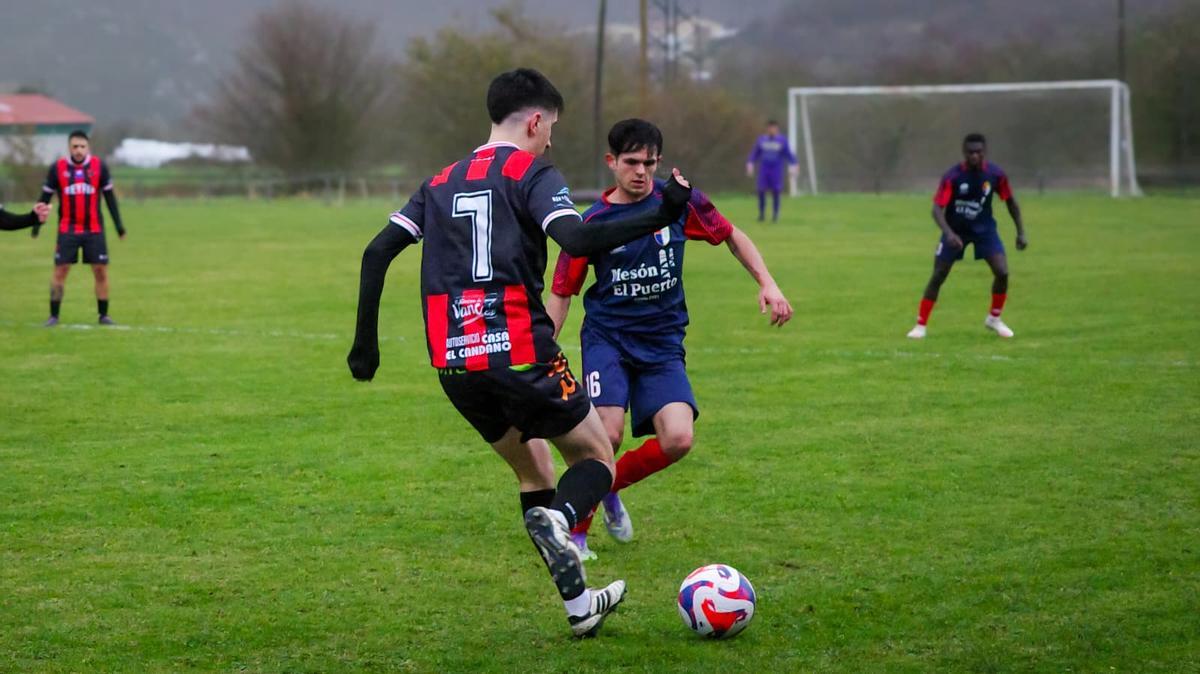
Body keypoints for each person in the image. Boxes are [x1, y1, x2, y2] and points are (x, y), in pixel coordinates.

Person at [346, 68, 695, 638]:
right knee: (596, 460)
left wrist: (366, 345)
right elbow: (577, 239)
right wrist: (661, 212)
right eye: (550, 127)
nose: (550, 138)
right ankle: (563, 521)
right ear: (535, 120)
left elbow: (376, 252)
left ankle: (581, 607)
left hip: (456, 363)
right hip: (519, 352)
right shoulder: (531, 171)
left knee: (534, 473)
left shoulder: (439, 181)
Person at [547, 118, 794, 560]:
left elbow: (731, 235)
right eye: (631, 162)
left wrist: (767, 282)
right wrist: (545, 346)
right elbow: (563, 289)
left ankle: (604, 487)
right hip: (609, 338)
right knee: (607, 433)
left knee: (679, 439)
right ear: (612, 162)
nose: (641, 171)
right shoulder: (594, 222)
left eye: (650, 162)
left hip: (661, 343)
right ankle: (577, 535)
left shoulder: (678, 201)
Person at [907, 133, 1027, 339]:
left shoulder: (996, 175)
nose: (975, 156)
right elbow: (936, 209)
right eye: (971, 152)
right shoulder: (953, 176)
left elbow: (1010, 202)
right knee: (939, 274)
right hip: (955, 231)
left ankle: (994, 319)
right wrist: (949, 234)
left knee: (1002, 272)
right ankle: (920, 325)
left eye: (979, 152)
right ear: (964, 153)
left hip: (984, 231)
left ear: (984, 153)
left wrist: (1021, 232)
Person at [35, 130, 127, 326]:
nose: (78, 150)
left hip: (94, 230)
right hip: (67, 229)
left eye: (82, 146)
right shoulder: (57, 168)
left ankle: (104, 315)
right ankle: (53, 316)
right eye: (75, 146)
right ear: (69, 147)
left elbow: (110, 199)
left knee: (100, 271)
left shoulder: (99, 167)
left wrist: (119, 225)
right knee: (60, 271)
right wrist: (36, 225)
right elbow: (45, 198)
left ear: (88, 147)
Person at [745, 120, 798, 222]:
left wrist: (794, 164)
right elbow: (755, 153)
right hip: (764, 170)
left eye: (773, 128)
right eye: (769, 128)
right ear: (767, 129)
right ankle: (761, 214)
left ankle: (775, 215)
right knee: (761, 191)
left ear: (776, 129)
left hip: (776, 170)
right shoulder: (762, 140)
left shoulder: (782, 140)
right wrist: (750, 163)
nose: (771, 130)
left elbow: (788, 154)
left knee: (776, 192)